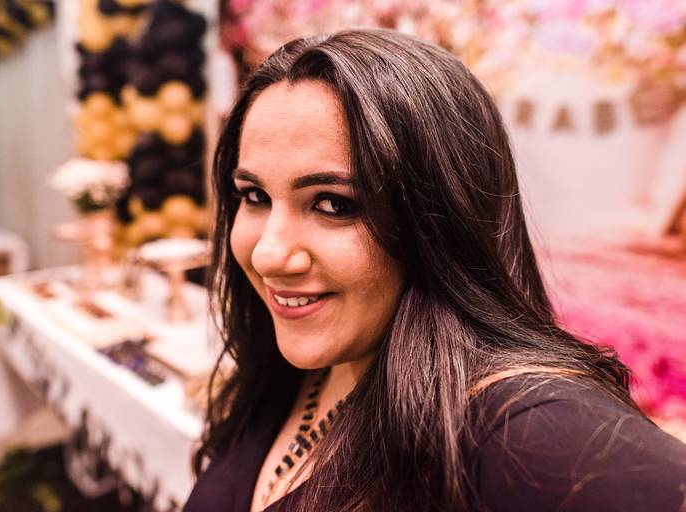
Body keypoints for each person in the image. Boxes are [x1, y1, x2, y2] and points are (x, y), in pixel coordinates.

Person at [183, 29, 686, 512]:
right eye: (255, 196)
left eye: (333, 204)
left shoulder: (518, 422)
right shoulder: (296, 369)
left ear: (440, 220)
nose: (268, 255)